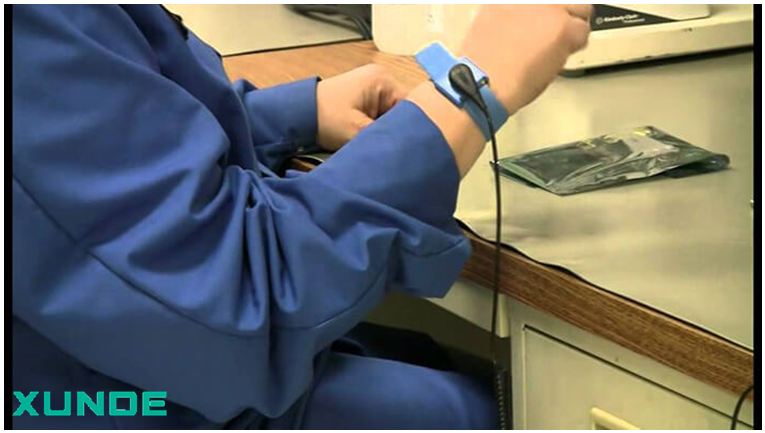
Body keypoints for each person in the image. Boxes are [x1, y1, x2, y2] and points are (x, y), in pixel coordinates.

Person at [11, 4, 592, 429]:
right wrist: (469, 92)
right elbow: (240, 301)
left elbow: (95, 134)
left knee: (434, 357)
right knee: (513, 410)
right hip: (80, 404)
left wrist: (284, 114)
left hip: (90, 364)